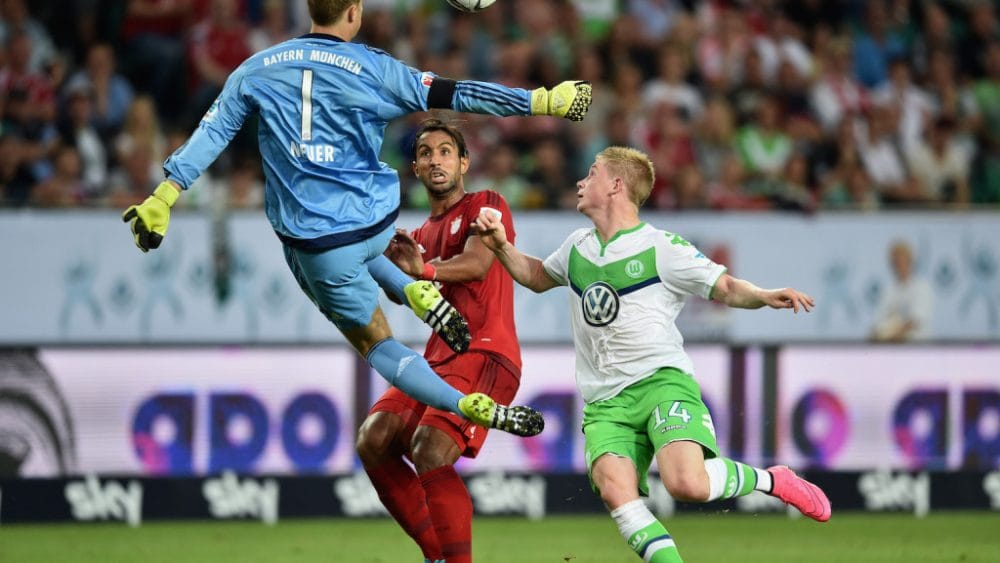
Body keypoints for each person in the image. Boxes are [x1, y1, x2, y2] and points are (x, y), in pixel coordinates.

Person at [121, 0, 592, 436]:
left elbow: (214, 131)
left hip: (321, 247)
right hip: (377, 226)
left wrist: (165, 194)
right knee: (355, 245)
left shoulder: (255, 68)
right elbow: (459, 94)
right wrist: (541, 101)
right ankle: (415, 292)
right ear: (355, 11)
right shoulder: (376, 68)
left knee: (380, 347)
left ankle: (463, 402)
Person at [474, 146, 831, 563]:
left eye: (591, 174)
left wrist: (766, 295)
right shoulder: (576, 247)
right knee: (615, 490)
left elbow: (726, 287)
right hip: (604, 402)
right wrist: (500, 246)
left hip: (660, 382)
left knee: (688, 484)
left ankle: (773, 480)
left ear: (616, 186)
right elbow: (536, 276)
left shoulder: (661, 247)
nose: (580, 181)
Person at [357, 119, 523, 563]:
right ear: (414, 167)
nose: (436, 159)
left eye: (446, 151)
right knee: (373, 440)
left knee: (429, 450)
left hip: (486, 353)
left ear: (464, 161)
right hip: (435, 361)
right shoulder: (419, 236)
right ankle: (438, 555)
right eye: (426, 152)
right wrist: (392, 272)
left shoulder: (486, 205)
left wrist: (420, 271)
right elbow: (407, 293)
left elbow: (476, 265)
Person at [871, 240, 934, 342]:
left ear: (910, 262)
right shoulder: (890, 289)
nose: (900, 265)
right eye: (896, 262)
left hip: (918, 347)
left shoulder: (922, 287)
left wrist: (891, 333)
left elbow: (915, 321)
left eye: (903, 261)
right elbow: (879, 319)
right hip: (894, 346)